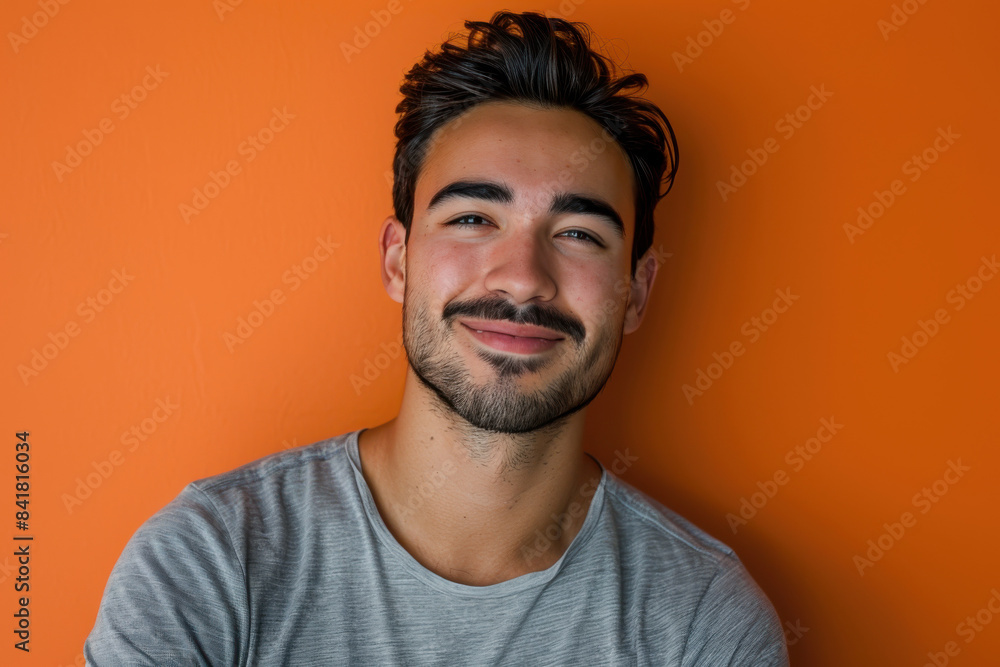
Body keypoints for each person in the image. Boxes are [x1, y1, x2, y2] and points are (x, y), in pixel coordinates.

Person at [85, 10, 789, 665]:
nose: (521, 279)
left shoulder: (704, 624)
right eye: (473, 218)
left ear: (636, 289)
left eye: (578, 234)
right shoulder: (209, 563)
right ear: (398, 259)